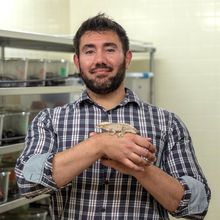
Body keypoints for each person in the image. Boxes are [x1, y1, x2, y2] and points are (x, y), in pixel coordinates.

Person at [15, 13, 211, 220]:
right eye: (89, 51)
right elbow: (27, 183)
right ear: (77, 62)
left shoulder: (168, 123)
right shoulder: (49, 121)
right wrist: (99, 145)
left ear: (127, 58)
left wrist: (140, 168)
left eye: (110, 49)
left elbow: (197, 206)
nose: (100, 60)